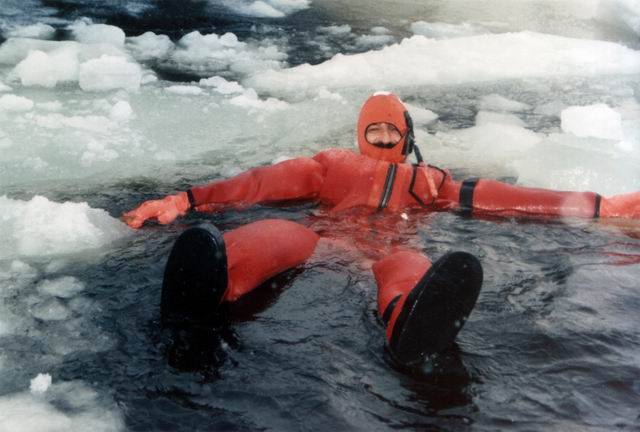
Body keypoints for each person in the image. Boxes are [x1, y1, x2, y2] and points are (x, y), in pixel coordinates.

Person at [122, 92, 640, 368]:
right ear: (360, 133)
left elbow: (498, 198)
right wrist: (185, 199)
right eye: (374, 128)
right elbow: (260, 183)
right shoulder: (332, 165)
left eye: (392, 129)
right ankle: (213, 279)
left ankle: (410, 321)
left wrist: (602, 207)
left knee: (408, 267)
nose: (383, 135)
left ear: (407, 134)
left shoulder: (431, 180)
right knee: (278, 231)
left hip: (385, 248)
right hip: (323, 235)